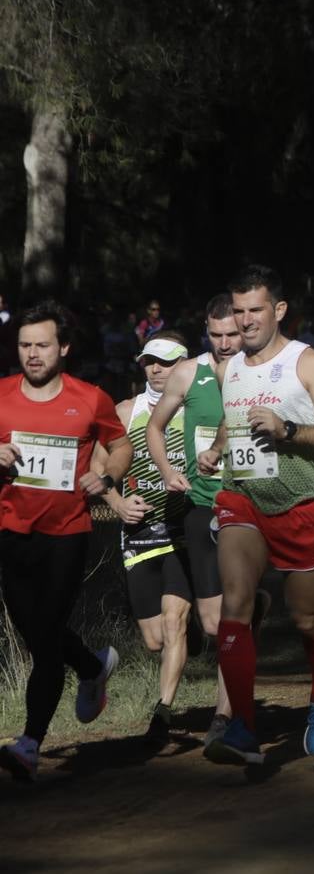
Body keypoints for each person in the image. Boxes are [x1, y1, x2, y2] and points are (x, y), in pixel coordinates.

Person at [198, 265, 314, 766]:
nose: (244, 321)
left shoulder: (307, 363)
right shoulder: (231, 367)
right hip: (240, 499)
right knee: (235, 605)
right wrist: (219, 447)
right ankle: (243, 726)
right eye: (238, 310)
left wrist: (287, 429)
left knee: (308, 618)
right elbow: (234, 414)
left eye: (255, 310)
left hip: (299, 505)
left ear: (278, 310)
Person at [0, 302, 131, 781]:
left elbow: (121, 446)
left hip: (67, 535)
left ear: (64, 348)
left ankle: (30, 743)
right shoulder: (0, 396)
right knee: (39, 636)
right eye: (25, 345)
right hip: (11, 532)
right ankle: (93, 667)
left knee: (47, 634)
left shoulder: (90, 398)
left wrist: (108, 476)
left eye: (42, 345)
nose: (32, 354)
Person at [146, 294, 253, 750]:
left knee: (230, 618)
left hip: (247, 506)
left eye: (233, 334)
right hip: (201, 505)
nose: (226, 343)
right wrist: (169, 471)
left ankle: (226, 715)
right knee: (212, 624)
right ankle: (255, 611)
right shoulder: (190, 372)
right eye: (217, 334)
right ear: (205, 332)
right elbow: (155, 426)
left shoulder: (262, 372)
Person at [98, 333, 202, 746]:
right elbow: (99, 467)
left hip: (183, 529)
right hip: (140, 532)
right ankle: (203, 623)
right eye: (148, 363)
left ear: (184, 363)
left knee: (174, 623)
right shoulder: (127, 411)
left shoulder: (196, 408)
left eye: (164, 362)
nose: (156, 370)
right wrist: (118, 504)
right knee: (155, 638)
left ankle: (163, 710)